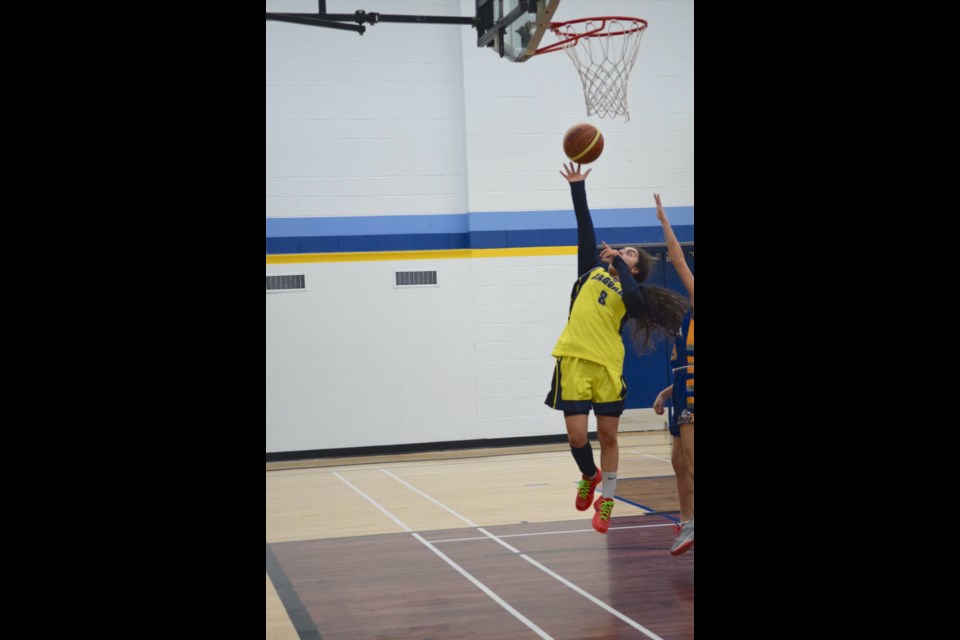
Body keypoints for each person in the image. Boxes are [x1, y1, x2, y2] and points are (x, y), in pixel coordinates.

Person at [545, 164, 689, 534]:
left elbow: (636, 299)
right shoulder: (589, 273)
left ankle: (607, 499)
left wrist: (623, 265)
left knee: (608, 436)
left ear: (636, 270)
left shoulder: (632, 295)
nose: (622, 253)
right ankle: (589, 474)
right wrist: (578, 189)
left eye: (630, 255)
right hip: (574, 359)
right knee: (577, 436)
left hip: (608, 367)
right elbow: (585, 232)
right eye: (621, 250)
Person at [652, 192, 695, 555]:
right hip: (682, 385)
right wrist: (667, 393)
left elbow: (679, 260)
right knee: (678, 461)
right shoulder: (685, 321)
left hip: (694, 389)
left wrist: (665, 223)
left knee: (693, 460)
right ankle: (687, 521)